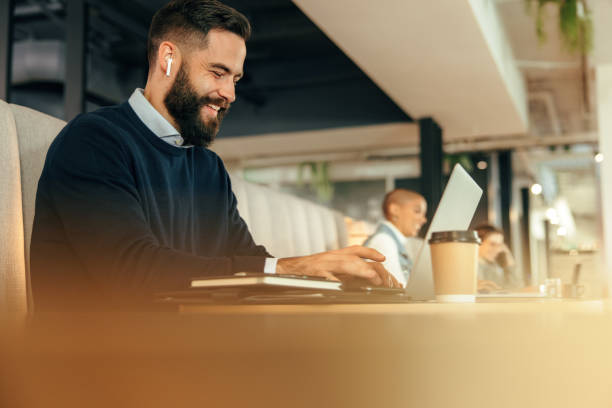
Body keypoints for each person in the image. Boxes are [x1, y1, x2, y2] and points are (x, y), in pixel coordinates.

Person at [30, 0, 399, 311]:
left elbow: (249, 262)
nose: (230, 94)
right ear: (168, 58)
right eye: (218, 72)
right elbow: (132, 272)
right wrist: (291, 267)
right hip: (88, 371)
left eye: (235, 79)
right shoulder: (95, 141)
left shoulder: (207, 167)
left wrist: (326, 278)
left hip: (184, 356)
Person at [363, 189, 427, 287]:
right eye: (417, 211)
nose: (424, 220)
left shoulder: (392, 241)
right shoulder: (384, 241)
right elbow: (398, 290)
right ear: (394, 210)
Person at [475, 224, 521, 292]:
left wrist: (509, 261)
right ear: (477, 243)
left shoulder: (493, 266)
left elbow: (514, 288)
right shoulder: (472, 267)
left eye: (500, 245)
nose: (498, 249)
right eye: (492, 244)